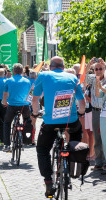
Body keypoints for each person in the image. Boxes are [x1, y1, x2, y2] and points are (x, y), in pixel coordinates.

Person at [31, 56, 85, 197]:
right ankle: (71, 163)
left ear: (51, 66)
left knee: (42, 149)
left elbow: (35, 99)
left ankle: (48, 182)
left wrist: (35, 113)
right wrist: (80, 112)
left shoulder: (43, 75)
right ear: (63, 66)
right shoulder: (73, 78)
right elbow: (82, 102)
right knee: (75, 139)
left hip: (50, 123)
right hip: (71, 122)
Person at [2, 63, 32, 152]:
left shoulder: (8, 81)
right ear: (22, 71)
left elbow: (4, 95)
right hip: (24, 105)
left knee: (7, 123)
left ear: (13, 71)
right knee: (27, 121)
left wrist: (5, 103)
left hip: (12, 106)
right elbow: (29, 94)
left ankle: (7, 145)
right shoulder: (27, 81)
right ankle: (27, 140)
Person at [85, 58, 106, 170]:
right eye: (96, 69)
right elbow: (84, 76)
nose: (98, 70)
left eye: (100, 68)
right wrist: (89, 64)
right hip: (95, 111)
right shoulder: (93, 79)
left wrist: (105, 65)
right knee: (97, 138)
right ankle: (98, 162)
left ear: (103, 69)